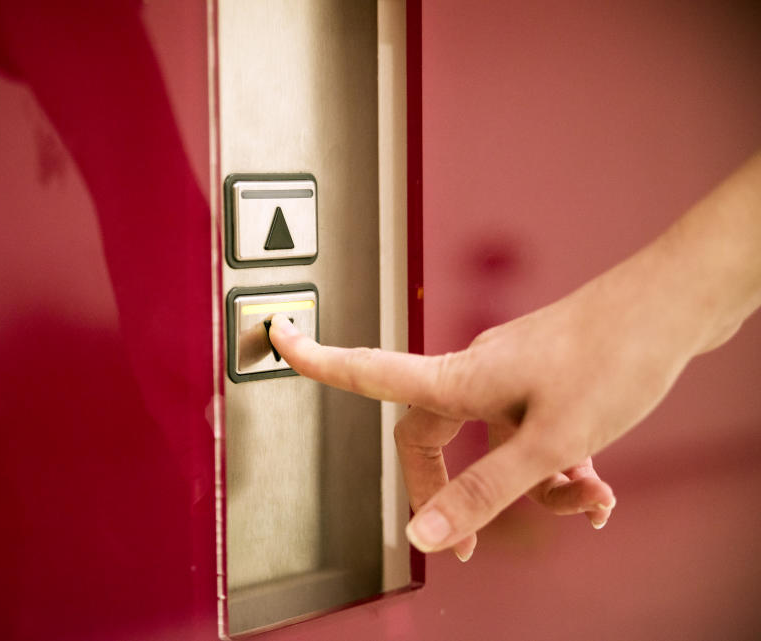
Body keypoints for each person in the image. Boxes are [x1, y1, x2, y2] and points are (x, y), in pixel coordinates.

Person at [268, 151, 761, 563]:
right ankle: (506, 513)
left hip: (499, 382)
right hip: (491, 377)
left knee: (514, 443)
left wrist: (658, 313)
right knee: (503, 436)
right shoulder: (487, 312)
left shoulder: (496, 309)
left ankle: (505, 512)